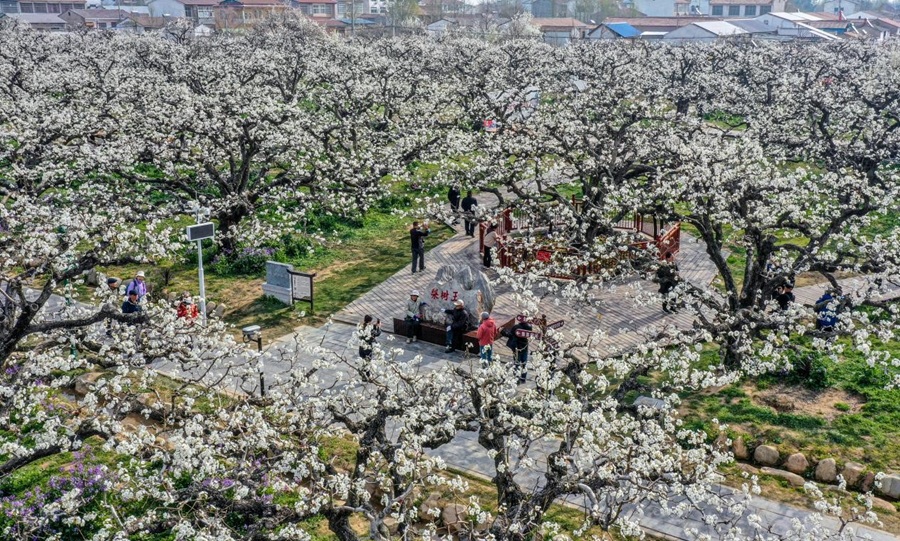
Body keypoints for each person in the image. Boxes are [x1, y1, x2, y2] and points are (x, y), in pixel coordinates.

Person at [503, 314, 533, 383]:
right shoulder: (529, 327)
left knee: (517, 363)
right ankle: (523, 378)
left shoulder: (516, 327)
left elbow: (510, 335)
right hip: (525, 347)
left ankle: (516, 379)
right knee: (524, 363)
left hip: (517, 347)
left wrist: (503, 332)